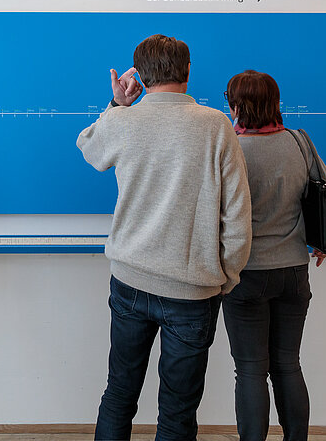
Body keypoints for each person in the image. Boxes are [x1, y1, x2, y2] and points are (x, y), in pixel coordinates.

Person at [77, 34, 252, 441]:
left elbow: (89, 148)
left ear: (140, 75)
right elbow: (238, 215)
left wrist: (119, 104)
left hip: (129, 282)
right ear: (188, 71)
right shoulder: (216, 125)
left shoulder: (124, 120)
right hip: (193, 292)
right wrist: (226, 275)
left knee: (119, 393)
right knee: (177, 410)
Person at [221, 70, 326, 441]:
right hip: (294, 272)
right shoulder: (299, 142)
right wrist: (320, 239)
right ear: (275, 103)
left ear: (236, 105)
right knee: (288, 365)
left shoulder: (230, 149)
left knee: (251, 369)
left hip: (244, 273)